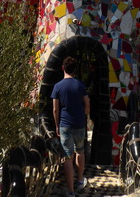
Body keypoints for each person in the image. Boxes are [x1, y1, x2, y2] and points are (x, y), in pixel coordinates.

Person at [51, 57, 90, 197]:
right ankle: (80, 180)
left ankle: (71, 191)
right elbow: (87, 103)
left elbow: (55, 109)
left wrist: (57, 125)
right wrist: (84, 116)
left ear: (63, 68)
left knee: (67, 157)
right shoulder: (80, 85)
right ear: (74, 70)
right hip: (79, 124)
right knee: (80, 151)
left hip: (65, 125)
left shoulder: (58, 86)